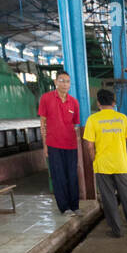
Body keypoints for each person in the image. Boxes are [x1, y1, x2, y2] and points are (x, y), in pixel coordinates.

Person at [83, 88, 127, 238]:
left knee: (109, 198)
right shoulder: (122, 118)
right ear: (114, 102)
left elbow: (89, 145)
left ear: (98, 103)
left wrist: (95, 160)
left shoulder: (92, 120)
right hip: (121, 164)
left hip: (103, 165)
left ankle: (117, 230)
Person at [39, 71, 81, 216]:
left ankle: (75, 206)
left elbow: (75, 126)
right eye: (62, 80)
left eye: (67, 81)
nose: (65, 84)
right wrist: (45, 145)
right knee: (59, 177)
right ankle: (64, 207)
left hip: (71, 146)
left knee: (72, 176)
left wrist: (76, 145)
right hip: (53, 145)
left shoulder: (74, 102)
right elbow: (43, 123)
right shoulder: (46, 98)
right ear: (56, 82)